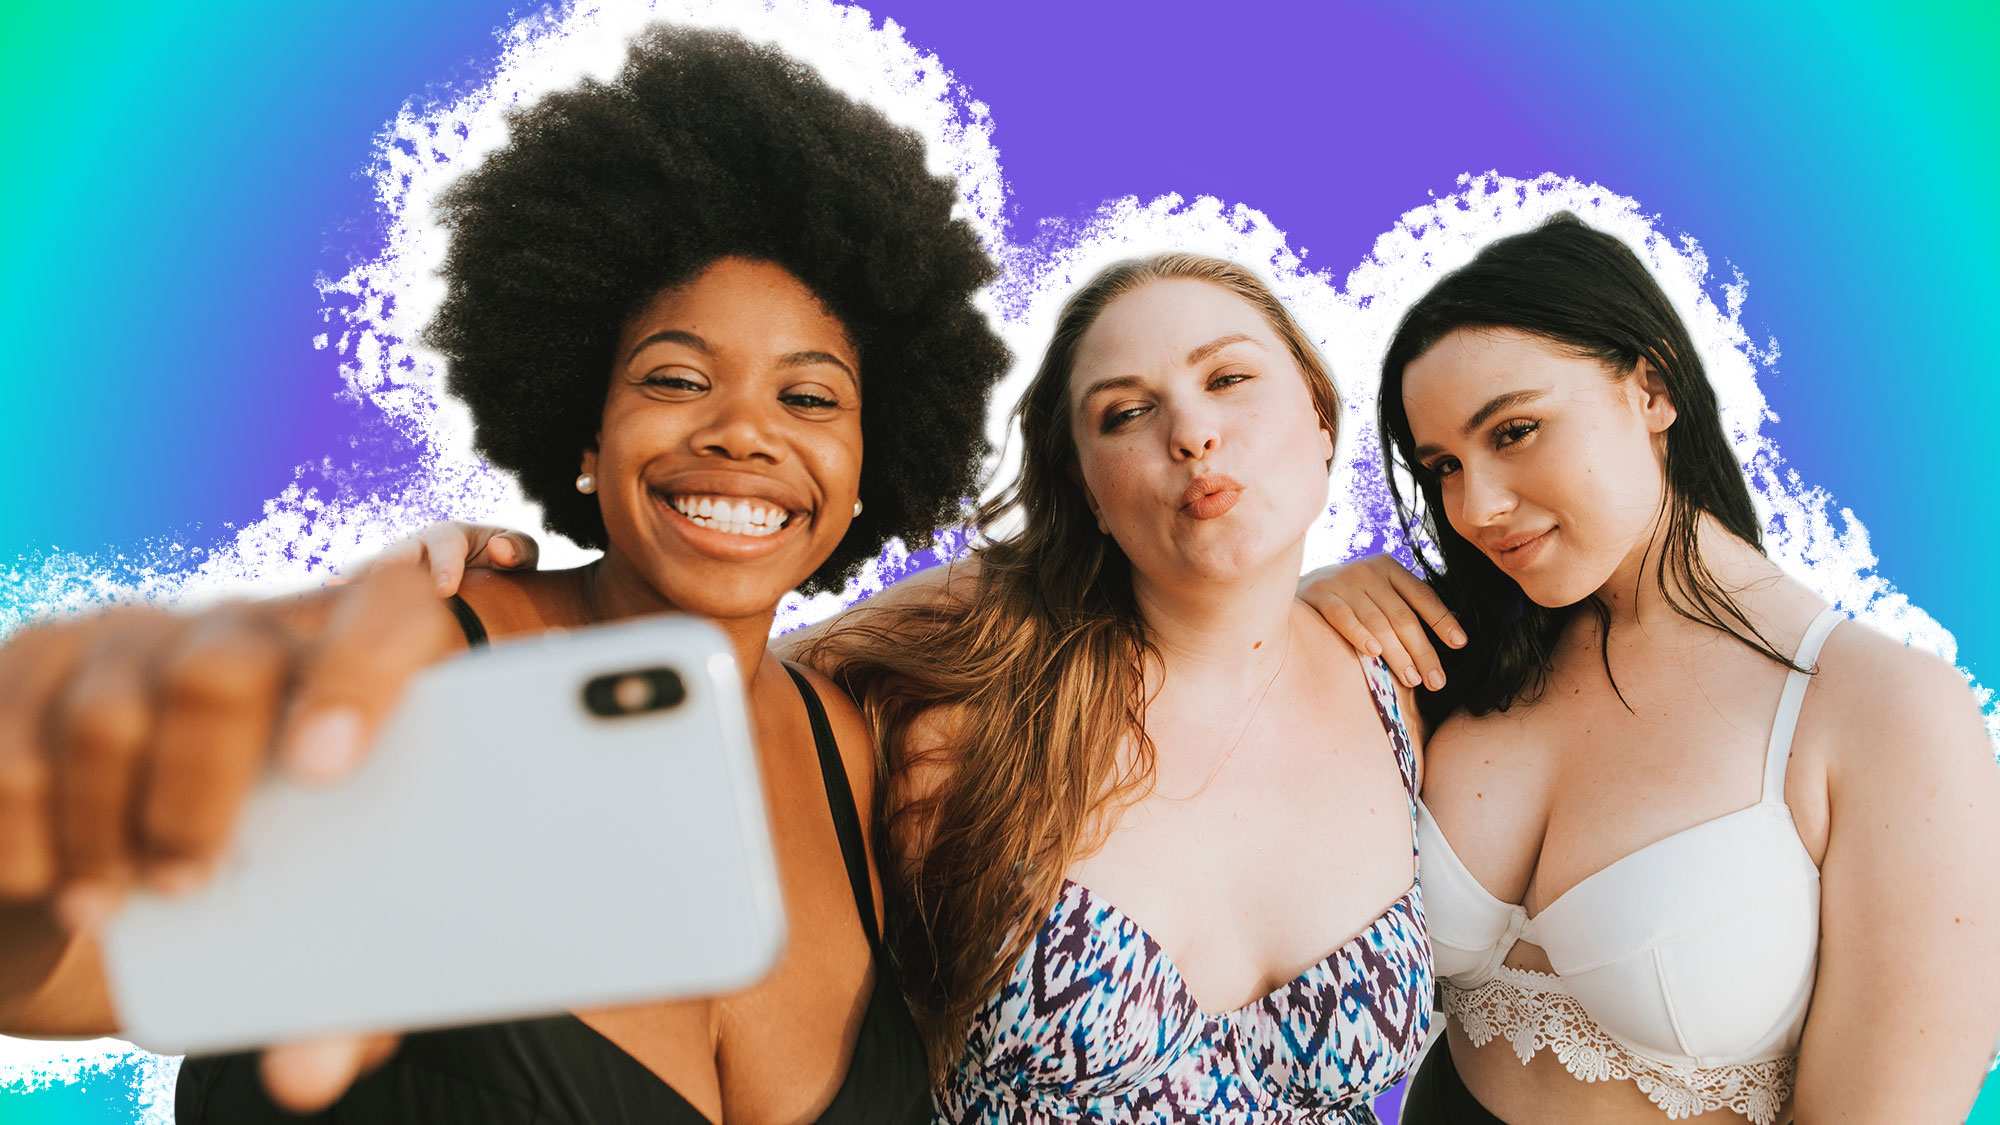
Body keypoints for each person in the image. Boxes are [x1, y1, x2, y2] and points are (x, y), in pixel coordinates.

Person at [0, 26, 1009, 1124]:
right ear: (587, 435)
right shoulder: (424, 667)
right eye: (676, 379)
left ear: (866, 470)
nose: (742, 433)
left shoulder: (848, 746)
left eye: (808, 398)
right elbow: (66, 974)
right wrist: (37, 826)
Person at [431, 252, 1437, 1121]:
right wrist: (476, 592)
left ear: (1320, 414)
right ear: (1086, 488)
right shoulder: (969, 682)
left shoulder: (1403, 677)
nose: (1191, 432)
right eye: (1125, 412)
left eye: (1228, 377)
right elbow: (717, 653)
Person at [1299, 214, 2000, 1122]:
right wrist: (1292, 609)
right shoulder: (1455, 650)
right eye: (1443, 466)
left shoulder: (1881, 710)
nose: (1475, 507)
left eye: (1514, 430)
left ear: (1653, 389)